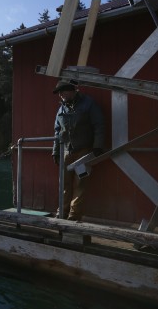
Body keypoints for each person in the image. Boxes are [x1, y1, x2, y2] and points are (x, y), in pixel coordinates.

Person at [51, 79, 105, 221]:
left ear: (71, 90)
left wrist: (98, 146)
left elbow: (99, 125)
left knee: (80, 184)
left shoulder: (89, 104)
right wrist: (55, 152)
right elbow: (57, 132)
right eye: (59, 93)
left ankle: (74, 216)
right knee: (64, 184)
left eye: (63, 91)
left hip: (84, 152)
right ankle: (61, 212)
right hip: (66, 153)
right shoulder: (61, 109)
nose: (60, 95)